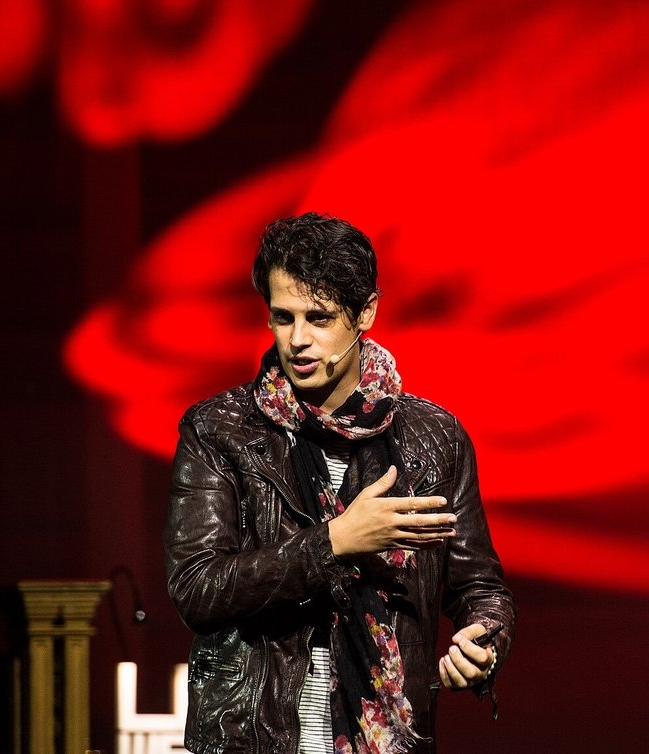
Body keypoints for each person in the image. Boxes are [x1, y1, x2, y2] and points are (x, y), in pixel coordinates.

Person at [164, 212, 515, 754]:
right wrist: (335, 543)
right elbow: (198, 587)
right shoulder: (219, 430)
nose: (298, 340)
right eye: (283, 317)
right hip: (257, 736)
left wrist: (483, 638)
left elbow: (480, 587)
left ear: (365, 313)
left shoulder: (434, 438)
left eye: (319, 318)